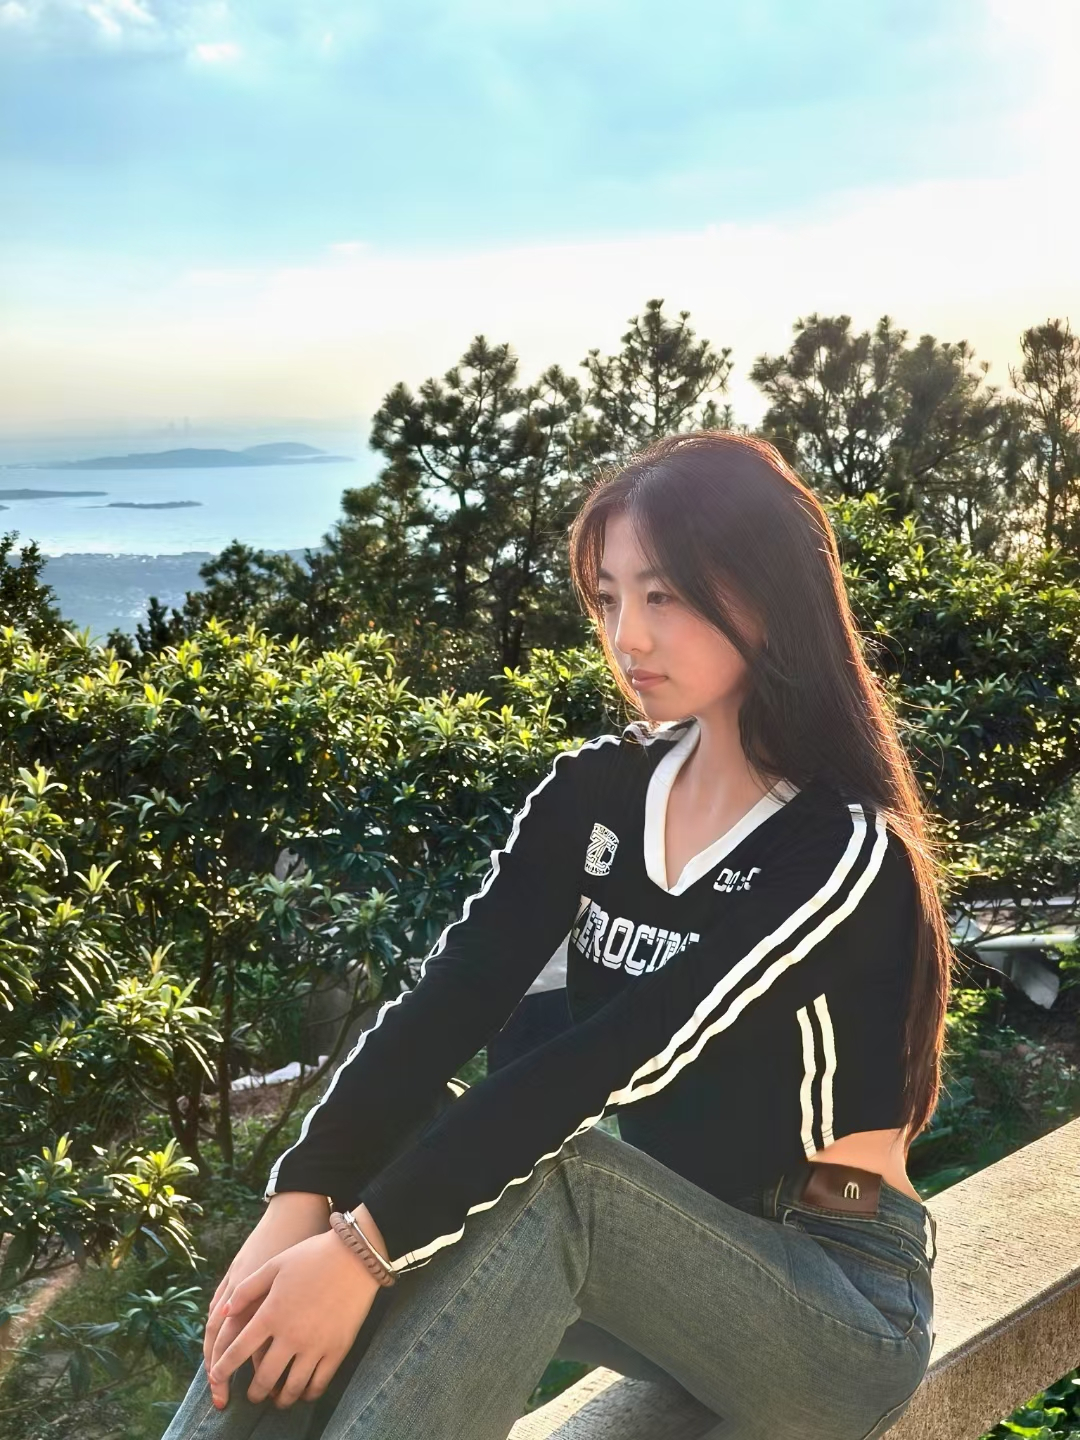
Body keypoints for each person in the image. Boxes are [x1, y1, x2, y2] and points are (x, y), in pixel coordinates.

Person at [163, 432, 950, 1440]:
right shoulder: (595, 791)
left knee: (561, 1181)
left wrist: (361, 1249)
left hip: (838, 1305)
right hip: (679, 1269)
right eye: (609, 597)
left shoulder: (839, 850)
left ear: (766, 592)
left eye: (664, 595)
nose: (629, 637)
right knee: (386, 1151)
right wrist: (305, 1196)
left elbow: (616, 1056)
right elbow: (452, 999)